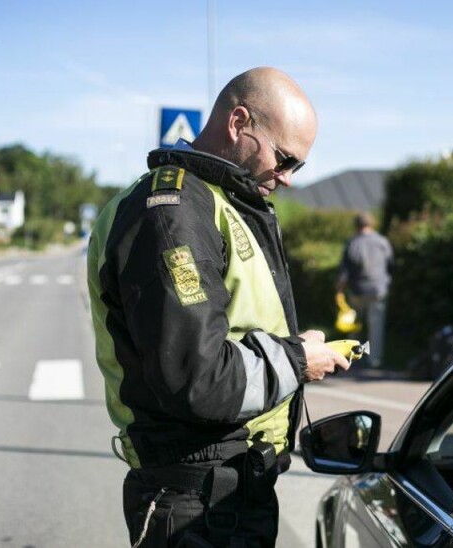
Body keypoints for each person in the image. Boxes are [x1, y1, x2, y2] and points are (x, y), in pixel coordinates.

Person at [86, 67, 351, 547]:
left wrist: (294, 348)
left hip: (225, 491)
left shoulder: (216, 202)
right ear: (238, 122)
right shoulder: (173, 212)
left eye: (300, 167)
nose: (288, 179)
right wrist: (297, 360)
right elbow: (197, 378)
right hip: (197, 502)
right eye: (285, 158)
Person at [335, 212, 393, 368]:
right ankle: (375, 360)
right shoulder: (382, 241)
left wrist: (339, 289)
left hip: (357, 290)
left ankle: (353, 356)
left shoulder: (352, 243)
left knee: (355, 325)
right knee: (376, 326)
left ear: (356, 225)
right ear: (372, 224)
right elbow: (390, 265)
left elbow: (344, 271)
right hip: (378, 289)